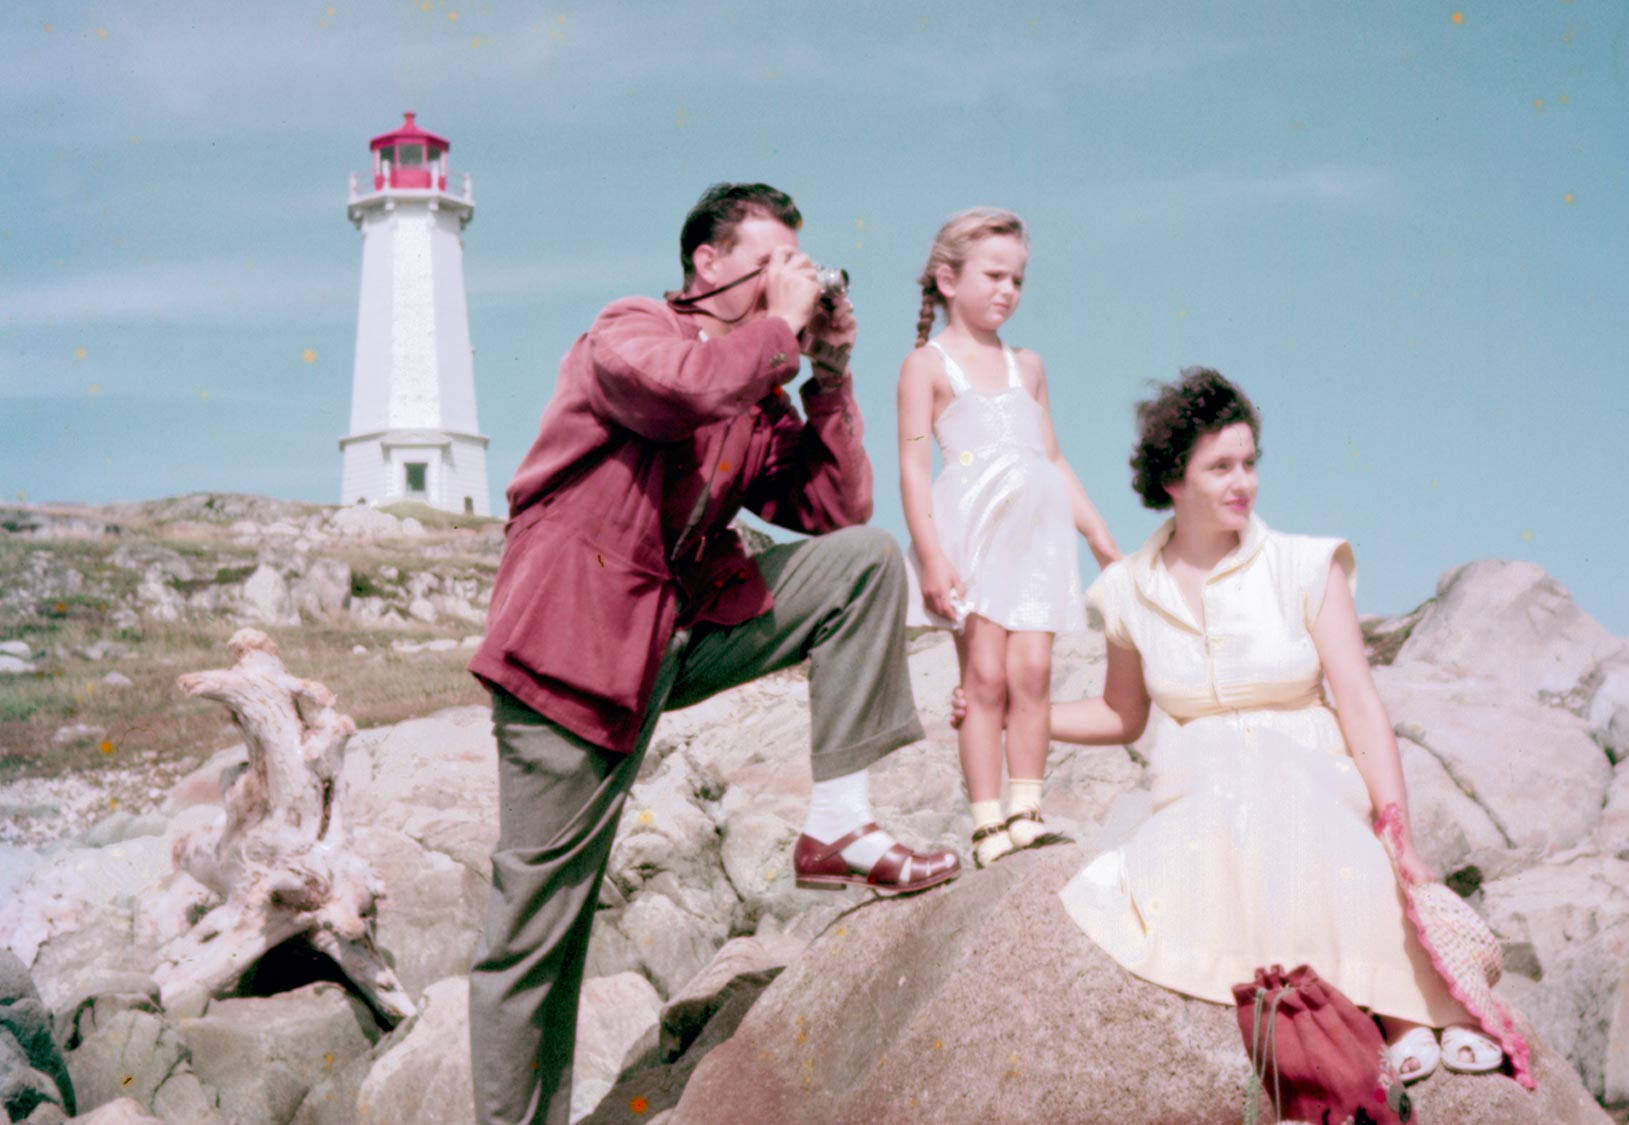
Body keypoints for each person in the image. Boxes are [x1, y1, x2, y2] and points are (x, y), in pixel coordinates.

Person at [465, 182, 960, 1125]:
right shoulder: (630, 331)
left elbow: (834, 510)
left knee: (862, 563)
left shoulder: (757, 382)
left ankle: (841, 823)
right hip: (570, 663)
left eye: (798, 267)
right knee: (539, 937)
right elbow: (677, 392)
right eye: (776, 260)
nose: (793, 282)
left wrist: (833, 373)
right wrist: (780, 331)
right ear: (709, 260)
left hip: (671, 642)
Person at [1049, 367, 1504, 1081]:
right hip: (1200, 780)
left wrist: (1397, 825)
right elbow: (1121, 713)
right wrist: (1028, 717)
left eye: (1250, 462)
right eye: (1221, 466)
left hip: (1312, 761)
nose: (1244, 482)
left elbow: (1357, 701)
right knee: (1241, 808)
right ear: (1172, 479)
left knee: (1296, 799)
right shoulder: (1126, 592)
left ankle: (1415, 1012)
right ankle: (1387, 1016)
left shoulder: (1304, 563)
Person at [897, 207, 1120, 870]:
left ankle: (1028, 811)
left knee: (1034, 673)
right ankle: (987, 819)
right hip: (974, 538)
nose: (1007, 290)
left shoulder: (1030, 365)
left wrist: (1100, 537)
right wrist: (933, 557)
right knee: (985, 676)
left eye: (1017, 279)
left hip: (1039, 541)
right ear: (946, 278)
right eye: (993, 274)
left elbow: (1053, 456)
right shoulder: (926, 365)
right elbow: (912, 467)